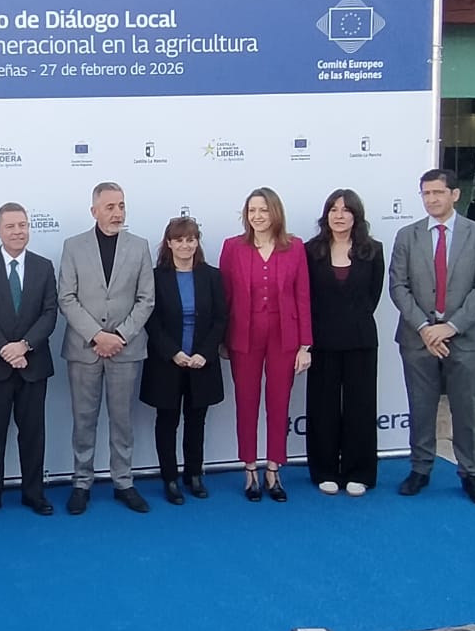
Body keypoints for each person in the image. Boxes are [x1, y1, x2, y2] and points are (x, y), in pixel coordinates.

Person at [391, 168, 475, 505]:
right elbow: (398, 286)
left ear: (455, 194)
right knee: (420, 407)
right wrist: (425, 327)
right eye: (425, 193)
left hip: (465, 339)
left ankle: (471, 473)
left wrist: (450, 327)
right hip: (418, 337)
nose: (431, 199)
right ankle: (420, 468)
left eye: (438, 192)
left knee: (465, 409)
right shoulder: (407, 236)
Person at [58, 181, 157, 515]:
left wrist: (121, 336)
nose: (117, 213)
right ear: (94, 211)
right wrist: (96, 335)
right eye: (111, 207)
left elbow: (146, 299)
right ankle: (81, 482)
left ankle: (124, 482)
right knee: (83, 420)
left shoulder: (140, 246)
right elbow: (66, 298)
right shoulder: (73, 246)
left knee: (123, 420)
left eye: (122, 206)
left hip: (126, 350)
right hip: (84, 350)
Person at [220, 187, 313, 503]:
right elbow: (225, 297)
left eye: (263, 210)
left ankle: (274, 468)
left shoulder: (295, 247)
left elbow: (302, 296)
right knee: (246, 402)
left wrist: (305, 345)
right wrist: (222, 340)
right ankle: (249, 469)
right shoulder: (233, 247)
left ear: (275, 212)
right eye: (251, 211)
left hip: (283, 337)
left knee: (278, 402)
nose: (257, 216)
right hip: (243, 337)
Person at [0, 202, 59, 519]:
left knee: (33, 435)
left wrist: (24, 346)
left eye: (23, 225)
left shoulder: (45, 266)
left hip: (33, 366)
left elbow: (50, 313)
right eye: (11, 226)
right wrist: (5, 349)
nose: (18, 231)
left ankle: (34, 493)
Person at [305, 189, 387, 496]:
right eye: (333, 209)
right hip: (322, 341)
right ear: (326, 215)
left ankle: (359, 471)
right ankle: (324, 469)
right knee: (322, 407)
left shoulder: (373, 249)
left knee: (360, 408)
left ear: (357, 215)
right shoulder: (311, 250)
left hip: (360, 340)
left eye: (346, 210)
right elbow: (307, 297)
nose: (339, 215)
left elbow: (373, 296)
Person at [140, 216, 226, 505]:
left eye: (190, 239)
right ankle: (170, 478)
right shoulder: (155, 277)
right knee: (167, 421)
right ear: (169, 243)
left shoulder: (211, 276)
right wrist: (173, 352)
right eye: (179, 240)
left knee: (196, 420)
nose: (185, 245)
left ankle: (194, 474)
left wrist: (204, 352)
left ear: (197, 242)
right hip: (167, 362)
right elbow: (151, 320)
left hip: (202, 362)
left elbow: (220, 319)